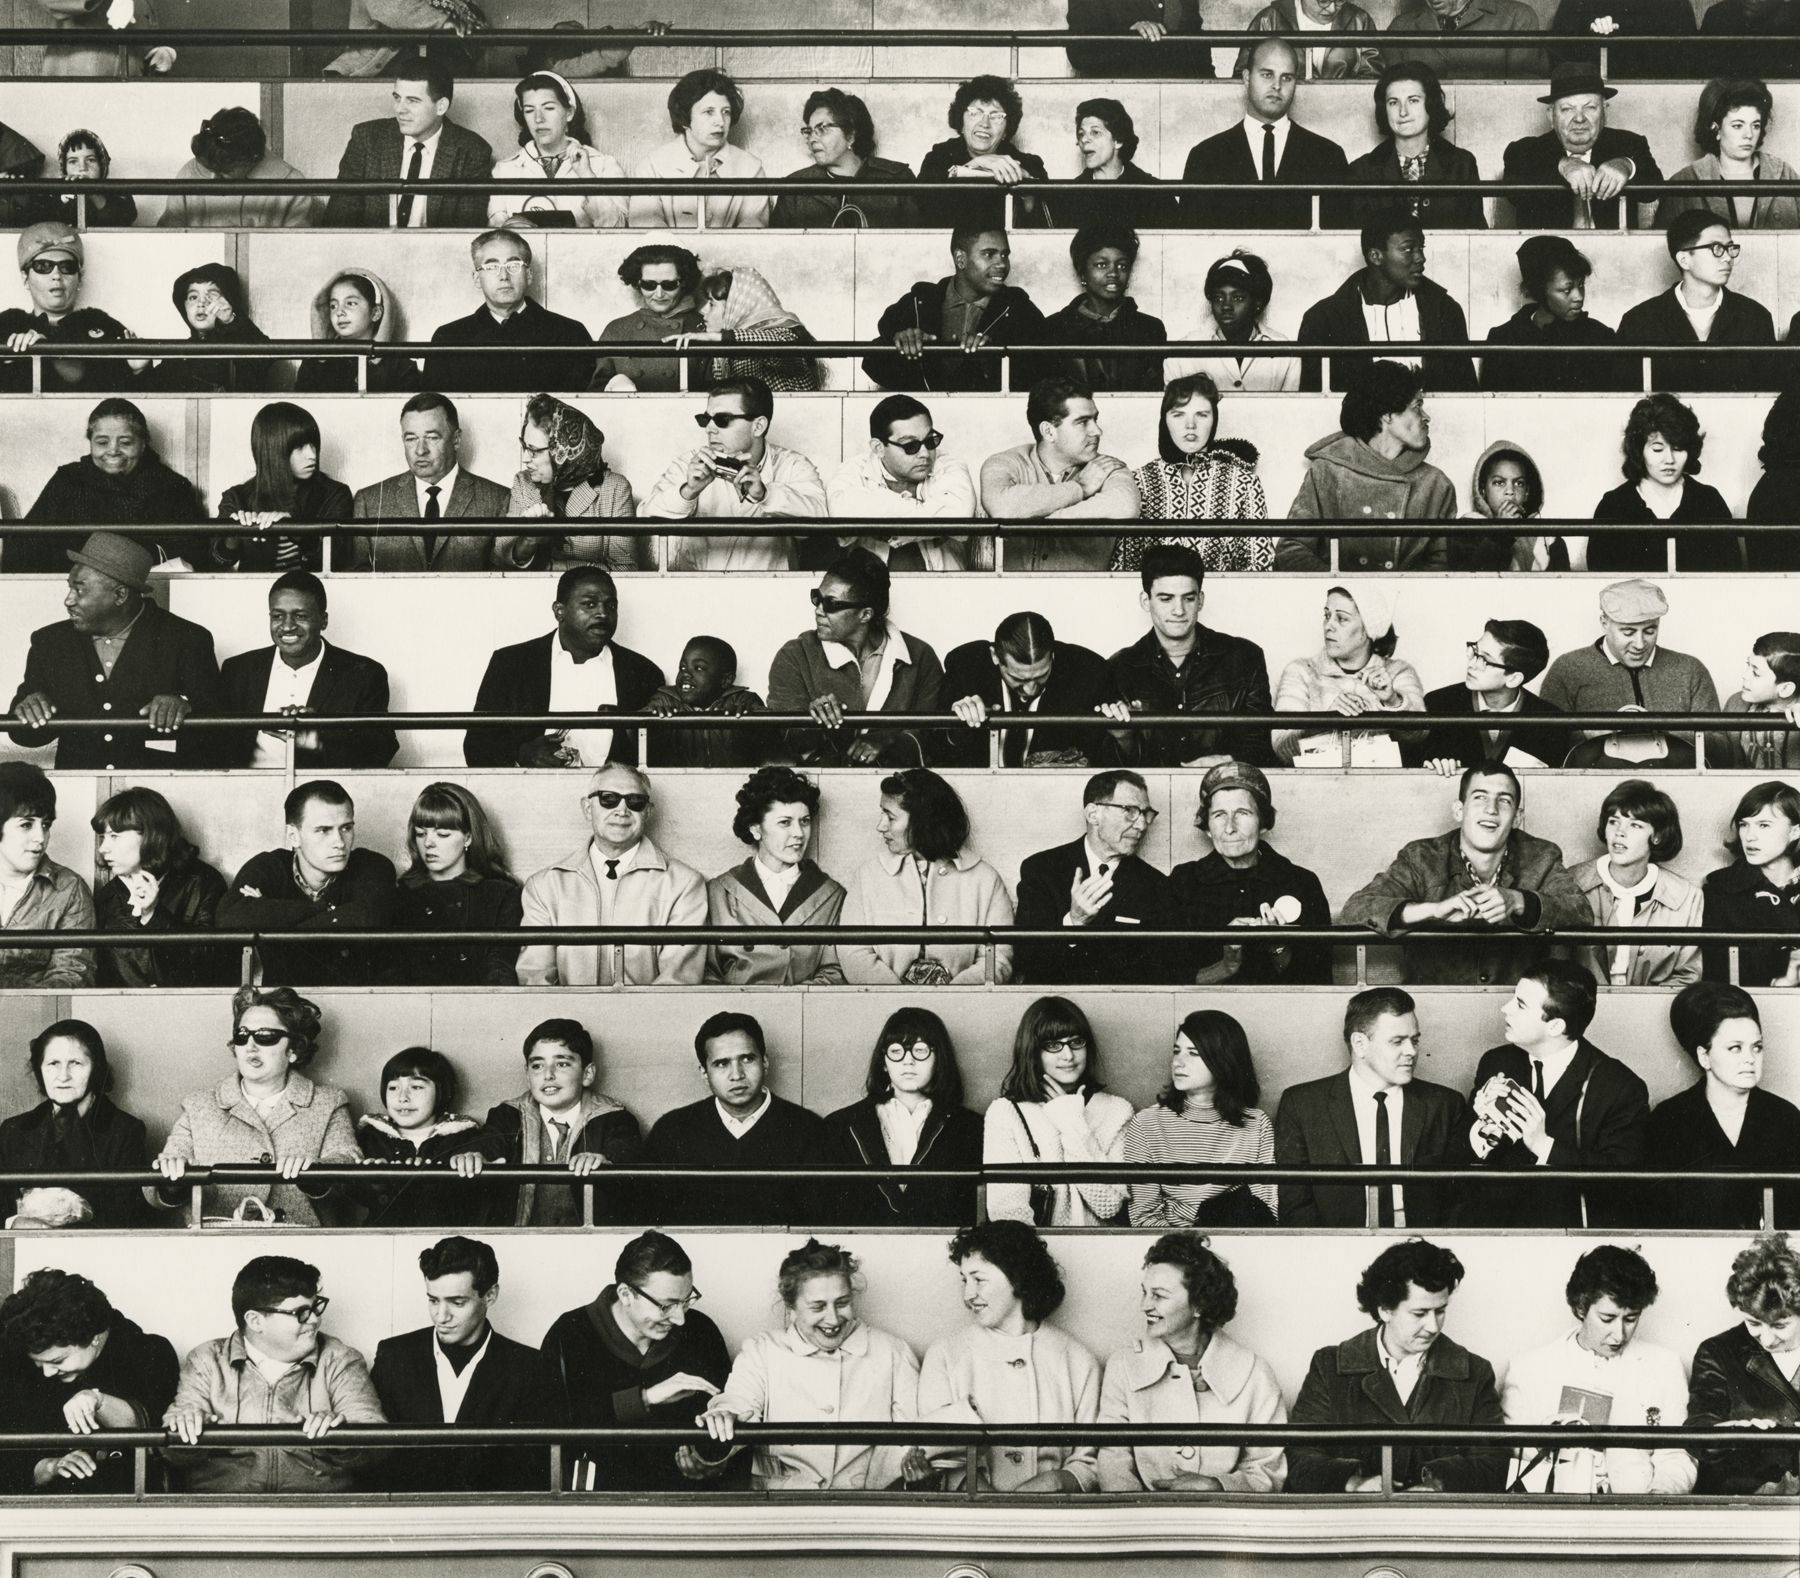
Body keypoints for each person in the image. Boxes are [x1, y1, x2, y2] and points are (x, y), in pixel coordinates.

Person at [1286, 1240, 1506, 1493]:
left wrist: (1437, 1485)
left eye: (1441, 1311)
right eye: (1419, 1313)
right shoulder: (1329, 1367)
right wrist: (1353, 1483)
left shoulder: (1476, 1372)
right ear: (1385, 1310)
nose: (1433, 1326)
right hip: (1353, 1515)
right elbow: (1300, 1456)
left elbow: (1494, 1462)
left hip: (1441, 1516)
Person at [1341, 762, 1589, 986]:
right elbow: (1356, 909)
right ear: (1459, 811)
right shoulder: (1421, 857)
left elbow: (1580, 912)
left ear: (1517, 817)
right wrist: (1433, 910)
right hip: (1433, 1008)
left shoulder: (1542, 856)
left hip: (1517, 1007)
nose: (1491, 809)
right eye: (1480, 797)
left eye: (1504, 800)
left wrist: (1518, 901)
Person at [699, 1240, 919, 1490]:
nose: (833, 1319)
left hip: (864, 1505)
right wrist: (724, 1417)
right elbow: (738, 1403)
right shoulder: (762, 1352)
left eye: (842, 1303)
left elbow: (909, 1444)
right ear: (791, 1308)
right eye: (818, 1307)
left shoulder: (893, 1353)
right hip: (780, 1505)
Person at [162, 1255, 387, 1493]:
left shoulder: (340, 1359)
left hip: (317, 1510)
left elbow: (376, 1444)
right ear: (255, 1321)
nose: (315, 1319)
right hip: (224, 1509)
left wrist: (340, 1435)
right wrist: (186, 1430)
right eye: (301, 1312)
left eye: (315, 1307)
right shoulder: (207, 1359)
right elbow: (173, 1452)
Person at [536, 1231, 740, 1493]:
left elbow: (724, 1425)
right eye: (666, 1306)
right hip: (595, 1505)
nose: (680, 1319)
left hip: (683, 1502)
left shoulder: (703, 1332)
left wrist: (712, 1463)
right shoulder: (570, 1334)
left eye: (686, 1301)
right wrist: (645, 1398)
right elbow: (550, 1426)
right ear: (625, 1294)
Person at [911, 1222, 1100, 1493]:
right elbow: (939, 1458)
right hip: (969, 1515)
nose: (968, 1295)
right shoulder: (944, 1355)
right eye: (965, 1280)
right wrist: (989, 1505)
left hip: (1055, 1515)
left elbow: (1088, 1463)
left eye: (979, 1279)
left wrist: (1054, 1482)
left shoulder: (1079, 1361)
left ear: (1017, 1277)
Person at [8, 532, 221, 770]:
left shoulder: (188, 638)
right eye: (70, 588)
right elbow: (23, 736)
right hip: (80, 787)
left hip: (155, 788)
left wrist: (185, 706)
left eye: (80, 590)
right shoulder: (50, 642)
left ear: (120, 595)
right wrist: (30, 710)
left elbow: (218, 736)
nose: (68, 600)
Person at [150, 987, 360, 1227]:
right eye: (242, 1035)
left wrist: (315, 1172)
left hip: (302, 1241)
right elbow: (160, 1183)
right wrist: (173, 1179)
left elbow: (348, 1162)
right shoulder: (198, 1106)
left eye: (265, 1036)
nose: (250, 1046)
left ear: (293, 1050)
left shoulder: (328, 1103)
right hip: (215, 1243)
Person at [1097, 1234, 1287, 1494]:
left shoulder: (1255, 1373)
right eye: (1145, 1292)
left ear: (1199, 1304)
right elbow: (1113, 1460)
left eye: (1159, 1295)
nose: (1144, 1305)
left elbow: (1267, 1469)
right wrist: (1141, 1511)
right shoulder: (1122, 1365)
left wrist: (1218, 1486)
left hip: (1226, 1516)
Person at [1467, 959, 1650, 1228]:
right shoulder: (1496, 1063)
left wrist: (1544, 1146)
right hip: (1498, 1228)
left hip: (1572, 1233)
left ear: (1555, 1027)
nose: (1505, 1009)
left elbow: (1622, 1182)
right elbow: (1466, 1160)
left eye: (1520, 1004)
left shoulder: (1619, 1086)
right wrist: (1481, 1127)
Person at [1274, 986, 1473, 1228]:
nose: (1411, 1051)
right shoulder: (1302, 1105)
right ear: (1359, 1044)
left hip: (1422, 1243)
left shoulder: (1445, 1104)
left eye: (1414, 1040)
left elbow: (1458, 1201)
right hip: (1334, 1245)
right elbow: (1295, 1204)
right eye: (1397, 1041)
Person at [1501, 1246, 1694, 1495]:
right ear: (1581, 1308)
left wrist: (1661, 1496)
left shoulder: (1664, 1365)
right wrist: (1546, 1443)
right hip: (1557, 1511)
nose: (1619, 1334)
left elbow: (1677, 1454)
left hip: (1639, 1509)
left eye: (1631, 1319)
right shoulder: (1529, 1370)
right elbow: (1514, 1458)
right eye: (1607, 1318)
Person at [371, 1238, 545, 1492]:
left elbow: (531, 1471)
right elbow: (376, 1462)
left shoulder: (529, 1367)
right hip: (408, 1511)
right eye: (433, 1300)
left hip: (490, 1513)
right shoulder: (394, 1356)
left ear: (490, 1295)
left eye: (457, 1302)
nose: (441, 1316)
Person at [515, 764, 706, 987]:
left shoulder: (684, 884)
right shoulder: (544, 886)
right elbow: (536, 978)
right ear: (587, 808)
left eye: (635, 801)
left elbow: (677, 981)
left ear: (648, 811)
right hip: (566, 1010)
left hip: (651, 1011)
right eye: (609, 799)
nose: (622, 810)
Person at [463, 566, 665, 769]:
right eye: (590, 604)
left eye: (611, 606)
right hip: (532, 788)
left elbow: (661, 756)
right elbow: (476, 746)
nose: (603, 613)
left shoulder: (644, 672)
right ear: (560, 611)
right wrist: (521, 755)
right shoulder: (510, 663)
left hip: (613, 790)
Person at [0, 1270, 177, 1496]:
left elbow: (159, 1437)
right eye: (38, 1363)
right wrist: (47, 1467)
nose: (47, 1373)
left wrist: (98, 1401)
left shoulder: (151, 1353)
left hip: (127, 1501)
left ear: (94, 1337)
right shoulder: (14, 1364)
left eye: (57, 1361)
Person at [644, 1012, 827, 1227]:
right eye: (722, 1064)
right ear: (704, 1073)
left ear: (765, 1062)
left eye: (747, 1059)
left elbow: (822, 1220)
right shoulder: (671, 1130)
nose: (737, 1074)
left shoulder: (809, 1129)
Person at [767, 551, 945, 768]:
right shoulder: (795, 654)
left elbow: (930, 735)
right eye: (817, 598)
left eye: (831, 604)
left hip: (897, 783)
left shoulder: (921, 656)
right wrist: (810, 720)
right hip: (817, 782)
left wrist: (889, 740)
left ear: (865, 615)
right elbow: (784, 737)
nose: (818, 610)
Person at [838, 768, 1014, 986]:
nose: (880, 826)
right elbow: (853, 953)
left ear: (923, 821)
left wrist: (954, 996)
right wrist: (895, 996)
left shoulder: (985, 880)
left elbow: (998, 959)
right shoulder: (867, 876)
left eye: (890, 817)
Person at [1105, 544, 1276, 769]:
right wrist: (1124, 738)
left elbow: (1262, 747)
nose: (1179, 610)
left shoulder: (1244, 657)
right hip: (1150, 790)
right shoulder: (1120, 667)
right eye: (1166, 599)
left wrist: (1227, 762)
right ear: (1146, 601)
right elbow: (1112, 769)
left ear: (1201, 600)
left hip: (1226, 787)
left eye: (1188, 598)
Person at [1649, 983, 1800, 1230]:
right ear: (1704, 1056)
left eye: (1757, 1047)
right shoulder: (1669, 1119)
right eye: (1735, 1048)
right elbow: (1657, 1213)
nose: (1750, 1058)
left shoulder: (1785, 1117)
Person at [1276, 362, 1454, 571]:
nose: (1426, 417)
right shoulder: (1327, 472)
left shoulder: (1436, 484)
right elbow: (1292, 549)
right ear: (1387, 414)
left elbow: (1441, 565)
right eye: (1417, 406)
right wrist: (1341, 586)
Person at [217, 780, 397, 987]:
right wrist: (325, 909)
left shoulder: (371, 866)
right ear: (294, 836)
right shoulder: (268, 866)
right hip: (284, 1000)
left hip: (357, 998)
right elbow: (229, 919)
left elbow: (370, 917)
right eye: (323, 830)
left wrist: (271, 911)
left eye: (346, 828)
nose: (339, 842)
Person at [639, 376, 827, 572]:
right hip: (699, 588)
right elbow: (645, 517)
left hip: (770, 588)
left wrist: (765, 494)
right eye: (705, 419)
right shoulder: (688, 464)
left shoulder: (793, 465)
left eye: (723, 420)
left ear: (758, 426)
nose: (709, 429)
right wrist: (688, 491)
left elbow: (820, 519)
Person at [1169, 760, 1332, 985]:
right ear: (1207, 828)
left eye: (1242, 813)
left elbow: (1319, 980)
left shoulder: (1302, 882)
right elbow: (1167, 980)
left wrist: (1277, 945)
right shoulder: (1183, 881)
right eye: (1219, 815)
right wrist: (1226, 966)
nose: (1230, 827)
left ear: (1263, 823)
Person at [216, 570, 397, 770]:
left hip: (324, 788)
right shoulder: (238, 670)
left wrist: (317, 740)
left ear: (323, 620)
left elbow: (382, 751)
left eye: (300, 616)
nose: (287, 626)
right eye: (277, 616)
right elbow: (217, 747)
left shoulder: (364, 674)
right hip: (245, 787)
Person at [1014, 770, 1181, 987]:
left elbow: (1162, 972)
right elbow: (1027, 961)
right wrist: (1074, 922)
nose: (1142, 825)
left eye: (1146, 813)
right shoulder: (1042, 870)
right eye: (1130, 811)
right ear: (1093, 814)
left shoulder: (1156, 885)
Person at [821, 1007, 984, 1228]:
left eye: (920, 1050)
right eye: (896, 1051)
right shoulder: (841, 1125)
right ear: (883, 1062)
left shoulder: (970, 1127)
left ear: (939, 1058)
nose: (908, 1061)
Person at [982, 996, 1135, 1227]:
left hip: (1100, 1245)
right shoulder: (1006, 1112)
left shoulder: (1117, 1110)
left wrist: (1070, 1121)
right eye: (1053, 1045)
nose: (1068, 1055)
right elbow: (1008, 1212)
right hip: (1032, 1245)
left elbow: (1109, 1205)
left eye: (1076, 1042)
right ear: (1032, 1051)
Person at [482, 1019, 643, 1228]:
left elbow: (628, 1156)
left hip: (590, 1242)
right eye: (537, 1066)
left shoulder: (614, 1117)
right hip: (520, 1240)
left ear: (587, 1074)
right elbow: (487, 1145)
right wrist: (475, 1156)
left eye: (562, 1064)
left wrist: (606, 1162)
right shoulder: (507, 1116)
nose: (548, 1075)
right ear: (527, 1076)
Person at [1123, 1010, 1276, 1227]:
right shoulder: (1147, 1123)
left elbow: (1265, 1209)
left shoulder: (1257, 1124)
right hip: (1170, 1243)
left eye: (1193, 1053)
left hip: (1236, 1241)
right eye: (1177, 1051)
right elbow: (1143, 1216)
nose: (1178, 1062)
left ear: (1223, 1060)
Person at [1180, 38, 1352, 230]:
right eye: (1267, 75)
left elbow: (1340, 237)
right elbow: (1190, 239)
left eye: (1287, 78)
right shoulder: (1205, 156)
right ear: (1247, 78)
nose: (1277, 85)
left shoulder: (1328, 155)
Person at [1297, 212, 1476, 395]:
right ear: (1375, 256)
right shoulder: (1323, 319)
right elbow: (1311, 401)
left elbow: (1468, 393)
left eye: (1421, 247)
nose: (1420, 257)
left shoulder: (1445, 310)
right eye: (1408, 249)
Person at [863, 227, 1049, 396]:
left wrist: (992, 360)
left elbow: (1043, 374)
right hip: (924, 419)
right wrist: (903, 347)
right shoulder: (918, 302)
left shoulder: (1019, 309)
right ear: (960, 259)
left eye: (1004, 255)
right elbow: (872, 364)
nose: (1002, 264)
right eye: (989, 254)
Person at [980, 375, 1138, 573]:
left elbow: (1125, 507)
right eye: (1082, 422)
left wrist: (1040, 522)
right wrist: (1080, 488)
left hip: (1082, 592)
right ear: (1048, 432)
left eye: (1095, 419)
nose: (1097, 431)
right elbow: (1002, 507)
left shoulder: (1109, 468)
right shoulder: (1004, 463)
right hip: (1014, 592)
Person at [18, 405, 205, 573]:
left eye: (125, 443)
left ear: (142, 444)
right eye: (102, 442)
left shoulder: (171, 486)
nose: (113, 450)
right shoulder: (68, 480)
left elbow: (193, 553)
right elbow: (26, 547)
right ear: (91, 442)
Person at [0, 1021, 150, 1228]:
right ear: (39, 1070)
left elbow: (128, 1216)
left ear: (96, 1068)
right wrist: (15, 1222)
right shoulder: (12, 1130)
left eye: (76, 1063)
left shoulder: (126, 1130)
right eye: (53, 1063)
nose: (63, 1076)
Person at [1539, 581, 1723, 749]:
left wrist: (1663, 733)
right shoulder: (1567, 669)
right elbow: (1546, 746)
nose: (1640, 644)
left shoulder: (1690, 670)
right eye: (1628, 632)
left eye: (1650, 631)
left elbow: (1720, 749)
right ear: (1604, 623)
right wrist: (1592, 735)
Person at [706, 766, 846, 987]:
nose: (799, 833)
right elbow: (706, 972)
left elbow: (834, 970)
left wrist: (794, 1001)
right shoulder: (720, 891)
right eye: (785, 822)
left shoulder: (830, 894)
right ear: (756, 829)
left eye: (805, 821)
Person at [344, 392, 512, 573]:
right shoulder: (369, 502)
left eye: (432, 437)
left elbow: (502, 577)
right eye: (411, 439)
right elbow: (357, 578)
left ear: (456, 440)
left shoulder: (497, 499)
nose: (420, 450)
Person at [1685, 1232, 1800, 1495]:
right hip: (1746, 1503)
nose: (1766, 1339)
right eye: (1754, 1323)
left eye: (1780, 1325)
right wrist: (1726, 1434)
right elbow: (1698, 1428)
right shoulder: (1718, 1352)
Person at [323, 54, 494, 229]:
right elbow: (338, 220)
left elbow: (466, 231)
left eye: (412, 101)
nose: (399, 109)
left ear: (441, 106)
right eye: (397, 98)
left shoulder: (472, 151)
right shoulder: (367, 138)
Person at [1119, 375, 1271, 571]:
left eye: (1202, 414)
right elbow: (1123, 567)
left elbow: (1259, 568)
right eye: (1178, 414)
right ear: (1164, 420)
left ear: (1214, 419)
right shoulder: (1137, 481)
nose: (1190, 425)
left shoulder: (1244, 483)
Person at [1618, 214, 1777, 399]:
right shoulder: (1639, 321)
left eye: (1730, 248)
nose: (1727, 258)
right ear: (1684, 260)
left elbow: (1770, 393)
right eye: (1716, 248)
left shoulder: (1755, 317)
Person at [942, 610, 1123, 769]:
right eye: (1017, 678)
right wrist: (957, 726)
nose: (1030, 690)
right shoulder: (965, 667)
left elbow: (1107, 757)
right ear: (995, 656)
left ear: (1053, 655)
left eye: (1042, 675)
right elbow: (939, 752)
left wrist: (1123, 733)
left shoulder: (1088, 672)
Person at [90, 786, 231, 989]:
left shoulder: (203, 882)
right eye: (102, 837)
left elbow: (212, 966)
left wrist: (153, 915)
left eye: (114, 836)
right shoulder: (108, 896)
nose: (103, 848)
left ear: (150, 835)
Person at [385, 781, 524, 988]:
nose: (428, 843)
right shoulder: (399, 895)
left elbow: (500, 968)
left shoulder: (501, 895)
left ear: (468, 837)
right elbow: (390, 971)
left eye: (442, 834)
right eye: (421, 833)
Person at [421, 230, 594, 395]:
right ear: (477, 278)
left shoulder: (570, 333)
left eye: (513, 265)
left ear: (529, 275)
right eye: (492, 267)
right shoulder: (448, 337)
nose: (504, 275)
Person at [1274, 585, 1426, 768]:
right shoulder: (1300, 671)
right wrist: (1325, 720)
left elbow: (1418, 739)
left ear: (1368, 629)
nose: (1328, 626)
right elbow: (1281, 748)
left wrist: (1392, 701)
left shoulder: (1399, 672)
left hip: (1381, 783)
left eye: (1342, 619)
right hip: (1315, 783)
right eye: (1327, 615)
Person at [1571, 779, 1703, 989]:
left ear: (1657, 836)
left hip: (1656, 1006)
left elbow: (1688, 975)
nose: (1619, 832)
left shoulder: (1686, 896)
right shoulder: (1571, 883)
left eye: (1635, 825)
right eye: (1613, 821)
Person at [353, 1049, 505, 1229]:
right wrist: (374, 1184)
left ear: (441, 1091)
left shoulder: (465, 1138)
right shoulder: (371, 1137)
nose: (402, 1097)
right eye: (393, 1087)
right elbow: (353, 1194)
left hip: (447, 1237)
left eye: (416, 1087)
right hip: (383, 1237)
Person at [824, 394, 977, 571]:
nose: (925, 454)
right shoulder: (853, 469)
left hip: (943, 585)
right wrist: (928, 517)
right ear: (878, 448)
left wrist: (883, 516)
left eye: (929, 441)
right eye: (910, 446)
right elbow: (842, 513)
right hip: (868, 586)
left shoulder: (949, 464)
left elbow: (960, 516)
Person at [1500, 64, 1663, 231]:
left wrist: (1626, 165)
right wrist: (1562, 165)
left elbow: (1652, 193)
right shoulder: (1524, 150)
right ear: (1551, 115)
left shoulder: (1629, 143)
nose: (1579, 118)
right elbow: (1514, 194)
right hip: (1550, 247)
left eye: (1590, 107)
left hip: (1613, 247)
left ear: (1604, 111)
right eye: (1567, 109)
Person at [496, 393, 642, 574]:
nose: (525, 458)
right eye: (524, 447)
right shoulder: (524, 482)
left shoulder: (614, 488)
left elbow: (625, 569)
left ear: (563, 450)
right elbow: (501, 557)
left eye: (534, 451)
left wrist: (551, 567)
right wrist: (528, 540)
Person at [0, 221, 143, 399]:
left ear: (79, 278)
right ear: (25, 278)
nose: (56, 276)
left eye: (67, 267)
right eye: (43, 266)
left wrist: (139, 371)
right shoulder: (8, 323)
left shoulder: (99, 322)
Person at [1481, 235, 1632, 394]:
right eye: (1566, 290)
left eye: (1581, 285)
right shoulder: (1503, 338)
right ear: (1539, 291)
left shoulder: (1600, 336)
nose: (1578, 297)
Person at [214, 403, 354, 574]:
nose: (312, 455)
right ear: (272, 450)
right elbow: (215, 562)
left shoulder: (334, 494)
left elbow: (339, 559)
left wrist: (297, 530)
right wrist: (232, 538)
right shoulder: (237, 497)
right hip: (254, 590)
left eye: (313, 444)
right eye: (299, 447)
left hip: (313, 589)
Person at [1415, 618, 1569, 772]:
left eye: (1485, 660)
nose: (1472, 664)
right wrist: (1432, 767)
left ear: (1513, 679)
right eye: (1475, 651)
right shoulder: (1438, 704)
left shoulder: (1551, 724)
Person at [1345, 64, 1487, 229]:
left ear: (1431, 104)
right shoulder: (1362, 170)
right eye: (1393, 102)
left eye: (1413, 100)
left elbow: (1475, 234)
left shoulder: (1462, 164)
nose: (1403, 112)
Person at [629, 69, 771, 229]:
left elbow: (753, 230)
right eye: (709, 112)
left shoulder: (751, 168)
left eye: (726, 112)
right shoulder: (652, 166)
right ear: (684, 117)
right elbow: (646, 227)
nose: (720, 121)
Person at [488, 71, 627, 230]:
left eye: (548, 108)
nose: (538, 119)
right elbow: (495, 233)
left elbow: (618, 227)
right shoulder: (504, 170)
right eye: (529, 110)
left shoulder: (604, 165)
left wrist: (587, 176)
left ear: (569, 113)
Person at [1659, 79, 1800, 231]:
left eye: (1755, 125)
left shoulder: (1784, 174)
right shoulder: (1686, 180)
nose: (1749, 134)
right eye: (1737, 126)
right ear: (1715, 128)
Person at [0, 763, 93, 991]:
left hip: (37, 1011)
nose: (41, 838)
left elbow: (72, 974)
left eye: (46, 825)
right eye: (26, 824)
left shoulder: (69, 888)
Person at [916, 75, 1050, 233]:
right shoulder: (938, 158)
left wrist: (1027, 191)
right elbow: (927, 218)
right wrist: (972, 167)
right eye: (975, 113)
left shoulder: (1029, 164)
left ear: (1006, 130)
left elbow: (1045, 232)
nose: (984, 123)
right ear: (961, 121)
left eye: (996, 116)